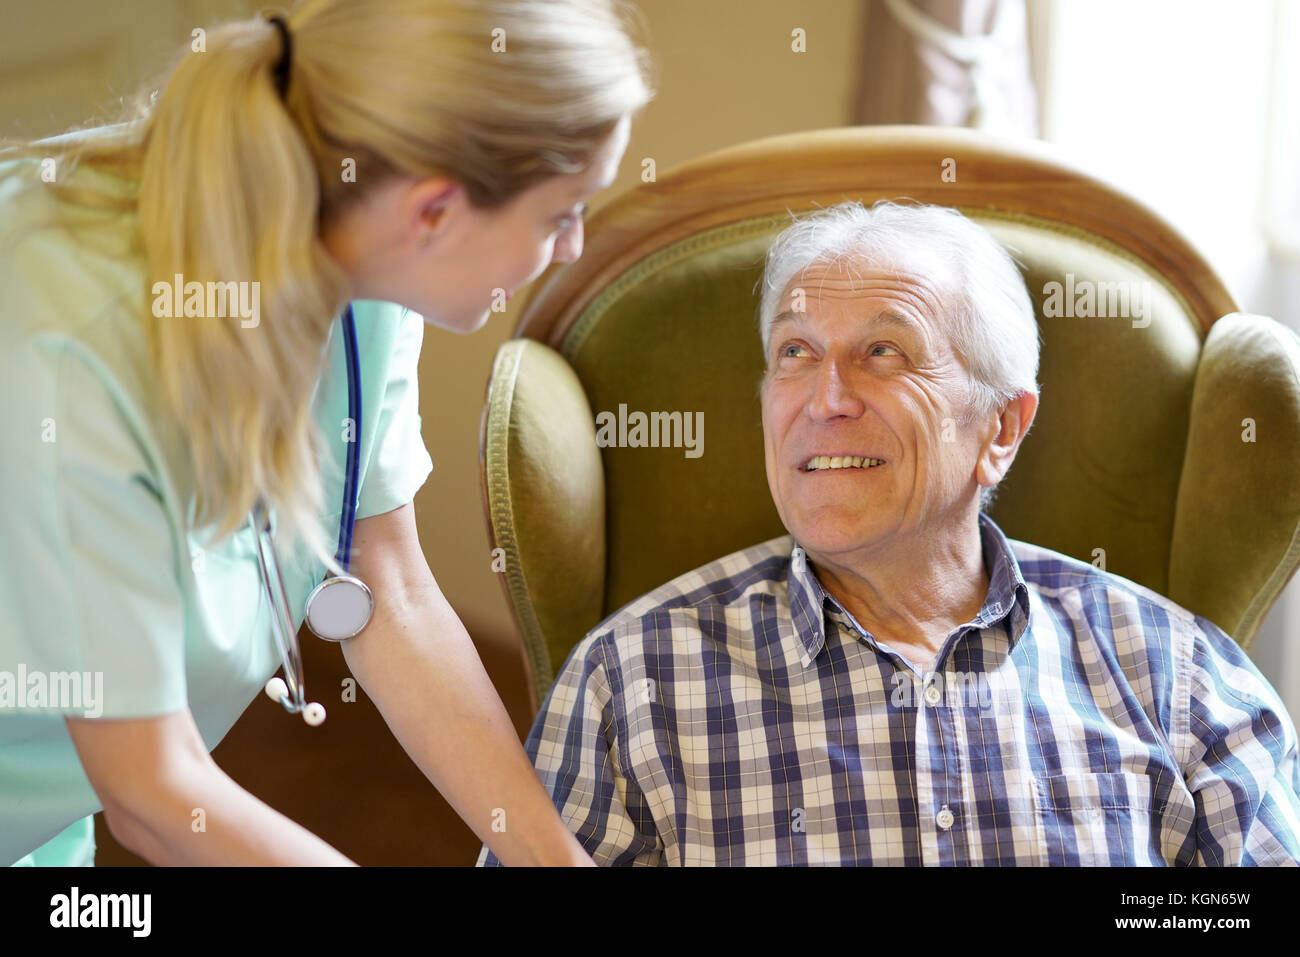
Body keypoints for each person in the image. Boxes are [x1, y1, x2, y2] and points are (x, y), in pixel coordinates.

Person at [0, 0, 652, 866]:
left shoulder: (364, 268)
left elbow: (387, 585)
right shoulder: (70, 349)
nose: (572, 247)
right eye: (560, 213)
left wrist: (555, 860)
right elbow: (153, 791)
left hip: (48, 807)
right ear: (435, 213)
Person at [478, 200, 1300, 866]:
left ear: (1001, 428)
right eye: (795, 352)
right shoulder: (629, 684)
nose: (825, 397)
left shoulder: (1176, 675)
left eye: (883, 351)